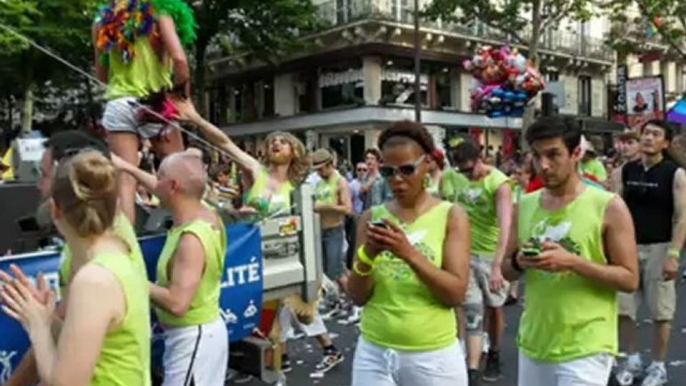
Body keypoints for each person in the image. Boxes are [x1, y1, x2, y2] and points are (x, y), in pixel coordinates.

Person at [167, 97, 343, 375]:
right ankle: (281, 361)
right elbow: (225, 143)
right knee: (269, 317)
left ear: (294, 151)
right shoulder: (257, 172)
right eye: (272, 141)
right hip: (252, 257)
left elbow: (301, 229)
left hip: (283, 261)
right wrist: (196, 119)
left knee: (288, 314)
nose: (275, 143)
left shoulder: (298, 189)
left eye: (282, 141)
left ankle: (291, 359)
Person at [501, 116, 639, 386]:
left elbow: (629, 279)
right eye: (537, 156)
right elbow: (507, 270)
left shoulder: (608, 206)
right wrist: (519, 262)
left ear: (576, 153)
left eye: (554, 155)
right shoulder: (525, 204)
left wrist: (573, 262)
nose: (544, 165)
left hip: (586, 343)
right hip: (535, 341)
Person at [4, 130, 147, 386]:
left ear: (55, 208)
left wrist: (37, 326)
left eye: (43, 175)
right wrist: (48, 319)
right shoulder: (117, 253)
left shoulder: (93, 279)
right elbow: (94, 339)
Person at [348, 120, 470, 386]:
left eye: (406, 169)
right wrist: (368, 255)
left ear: (427, 163)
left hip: (432, 355)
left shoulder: (451, 215)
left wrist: (408, 254)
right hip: (375, 352)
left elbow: (455, 293)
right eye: (388, 172)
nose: (397, 180)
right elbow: (357, 296)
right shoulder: (371, 217)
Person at [113, 150, 228, 386]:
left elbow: (177, 303)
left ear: (173, 186)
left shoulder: (191, 240)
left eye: (160, 176)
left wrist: (129, 277)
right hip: (198, 336)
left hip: (193, 339)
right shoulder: (206, 211)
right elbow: (162, 185)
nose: (155, 180)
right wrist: (126, 166)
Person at [94, 0, 196, 223]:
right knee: (180, 172)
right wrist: (182, 95)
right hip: (154, 101)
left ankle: (126, 248)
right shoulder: (160, 11)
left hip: (118, 101)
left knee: (125, 181)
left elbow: (101, 74)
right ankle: (188, 232)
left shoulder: (102, 21)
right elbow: (179, 59)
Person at [615, 120, 686, 386]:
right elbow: (614, 210)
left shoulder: (675, 173)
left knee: (661, 312)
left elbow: (682, 217)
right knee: (624, 308)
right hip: (628, 247)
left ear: (665, 143)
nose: (648, 138)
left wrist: (674, 254)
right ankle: (631, 359)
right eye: (646, 133)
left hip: (660, 246)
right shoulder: (625, 171)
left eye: (656, 134)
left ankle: (658, 365)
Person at [451, 139, 512, 384]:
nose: (466, 175)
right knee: (472, 311)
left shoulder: (499, 183)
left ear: (480, 160)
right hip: (466, 253)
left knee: (495, 308)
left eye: (469, 169)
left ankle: (495, 352)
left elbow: (505, 227)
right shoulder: (458, 179)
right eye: (461, 171)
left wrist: (498, 265)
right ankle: (472, 370)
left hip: (490, 254)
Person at [312, 149, 353, 301]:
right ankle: (341, 301)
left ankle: (354, 303)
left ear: (329, 165)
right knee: (329, 270)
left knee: (336, 272)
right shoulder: (320, 182)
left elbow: (348, 209)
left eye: (321, 169)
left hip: (334, 229)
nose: (318, 173)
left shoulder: (340, 181)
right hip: (320, 230)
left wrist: (327, 207)